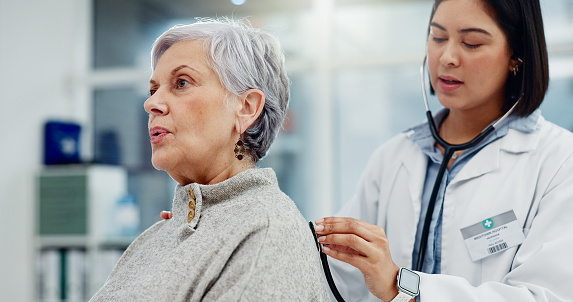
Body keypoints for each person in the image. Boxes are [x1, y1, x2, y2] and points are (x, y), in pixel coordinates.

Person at [314, 0, 573, 301]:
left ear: (516, 55)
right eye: (438, 38)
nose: (447, 56)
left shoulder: (559, 161)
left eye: (472, 43)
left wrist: (401, 286)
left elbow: (542, 295)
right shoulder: (394, 157)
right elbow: (334, 279)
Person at [90, 18, 329, 301]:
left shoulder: (265, 231)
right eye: (153, 90)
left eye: (181, 83)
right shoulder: (156, 237)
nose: (151, 103)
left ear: (246, 107)